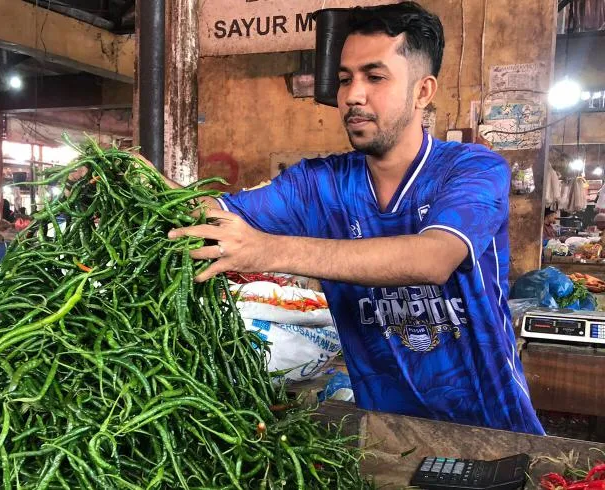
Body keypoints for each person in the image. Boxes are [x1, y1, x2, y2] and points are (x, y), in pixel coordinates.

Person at [162, 2, 543, 434]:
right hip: (384, 432)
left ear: (423, 91)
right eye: (345, 80)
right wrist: (133, 177)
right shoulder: (319, 184)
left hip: (492, 431)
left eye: (374, 77)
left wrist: (265, 250)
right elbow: (210, 216)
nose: (352, 95)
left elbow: (433, 259)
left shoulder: (473, 170)